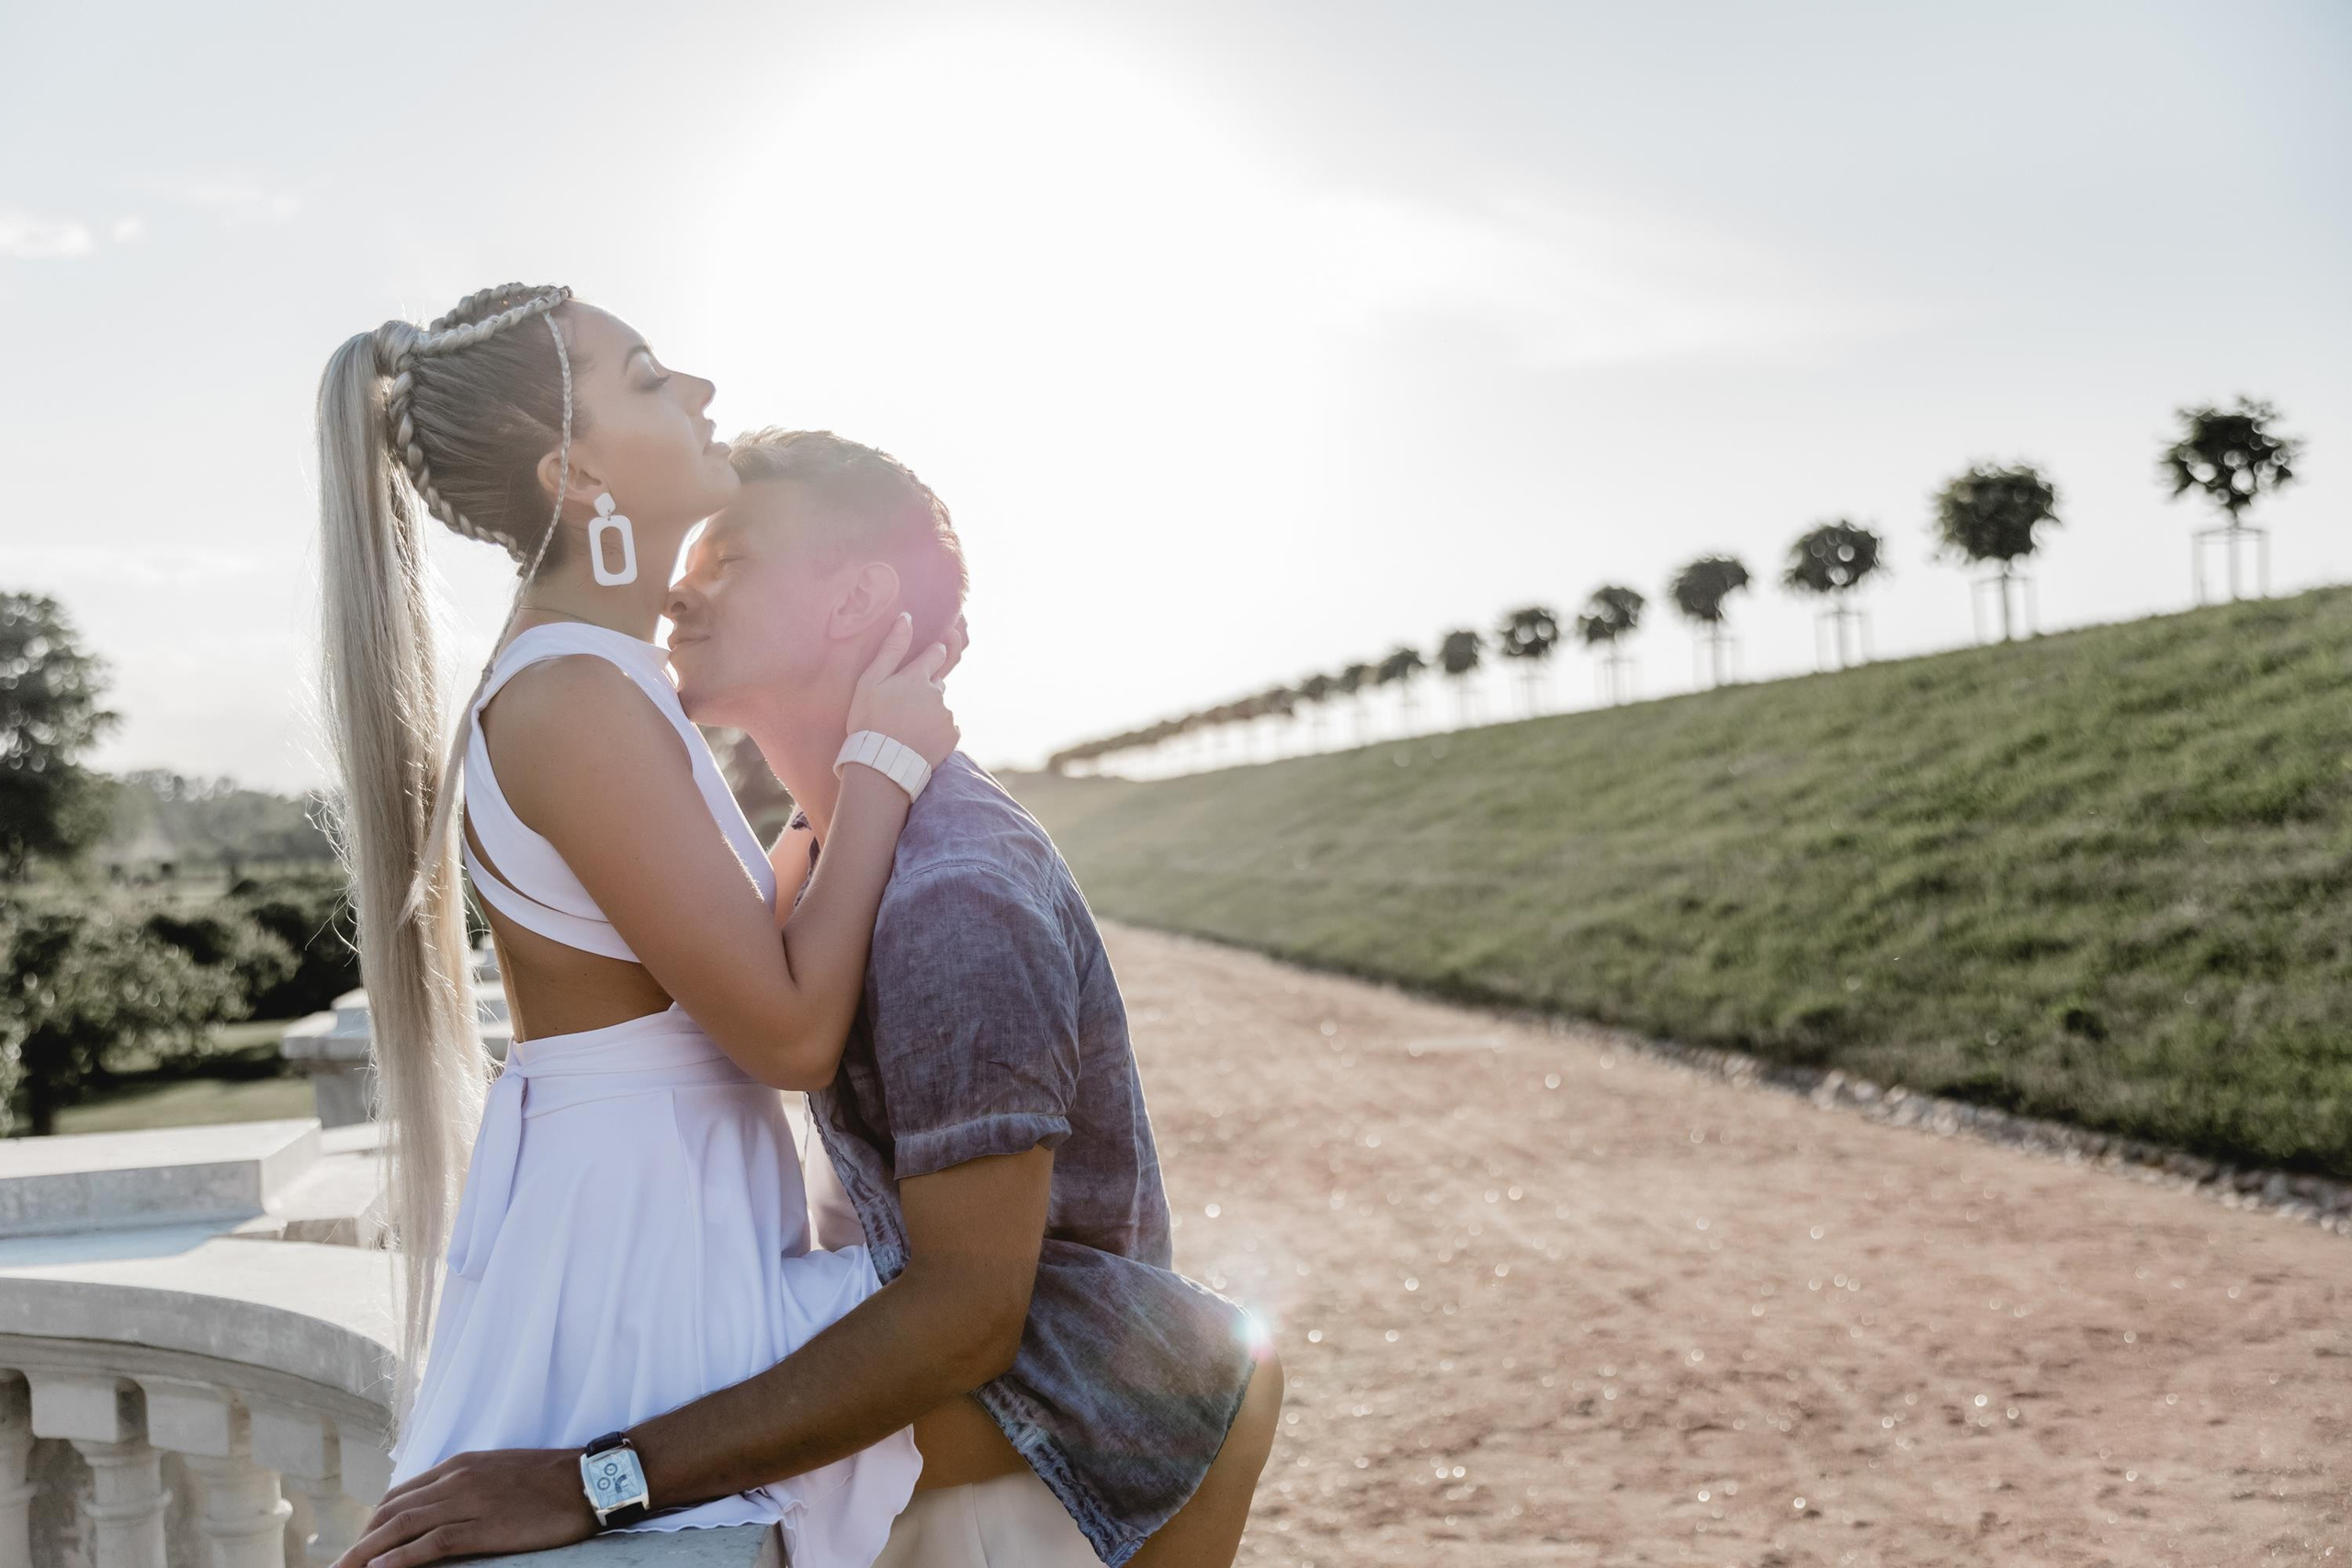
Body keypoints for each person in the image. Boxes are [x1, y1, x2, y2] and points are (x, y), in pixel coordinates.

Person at [344, 430, 1283, 1568]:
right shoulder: (847, 844)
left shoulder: (954, 895)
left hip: (1054, 1428)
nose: (679, 587)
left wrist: (595, 1485)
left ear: (854, 602)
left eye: (728, 557)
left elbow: (969, 1318)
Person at [314, 283, 978, 1568]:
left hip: (659, 1197)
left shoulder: (603, 675)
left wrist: (826, 801)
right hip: (636, 1248)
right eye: (650, 374)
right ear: (576, 474)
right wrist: (882, 765)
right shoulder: (573, 692)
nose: (704, 392)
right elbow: (785, 1030)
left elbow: (732, 945)